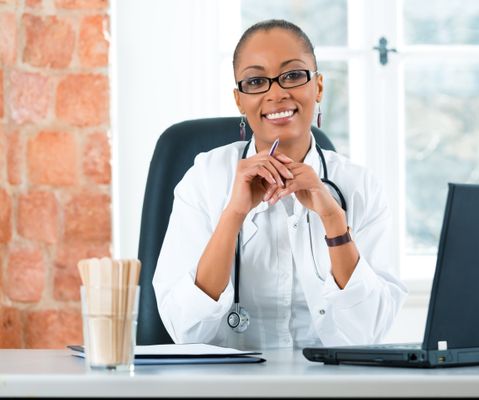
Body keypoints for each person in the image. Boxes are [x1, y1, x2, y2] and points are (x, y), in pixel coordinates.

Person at [153, 19, 408, 350]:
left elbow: (365, 335)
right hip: (229, 384)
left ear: (317, 87)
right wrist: (234, 214)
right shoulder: (205, 178)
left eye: (292, 75)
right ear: (239, 100)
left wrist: (333, 219)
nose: (276, 93)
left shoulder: (359, 186)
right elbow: (185, 330)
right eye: (256, 81)